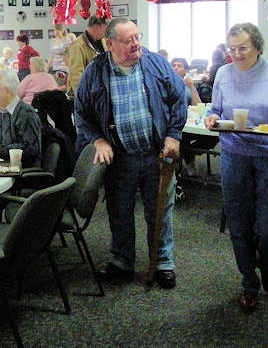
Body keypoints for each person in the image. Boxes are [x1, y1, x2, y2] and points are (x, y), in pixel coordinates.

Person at [74, 18, 186, 290]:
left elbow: (178, 98)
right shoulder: (95, 71)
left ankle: (162, 263)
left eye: (137, 37)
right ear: (110, 43)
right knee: (119, 212)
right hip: (120, 158)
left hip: (157, 154)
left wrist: (173, 135)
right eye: (128, 40)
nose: (136, 44)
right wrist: (99, 140)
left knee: (159, 211)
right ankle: (122, 262)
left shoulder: (156, 63)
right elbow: (82, 113)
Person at [204, 22, 268, 313]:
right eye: (232, 48)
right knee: (238, 224)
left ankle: (265, 261)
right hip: (234, 155)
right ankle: (249, 282)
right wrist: (211, 118)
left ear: (257, 46)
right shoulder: (223, 74)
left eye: (243, 48)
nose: (236, 54)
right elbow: (215, 109)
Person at [0, 69, 41, 167]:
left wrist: (0, 149)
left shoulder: (26, 113)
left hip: (18, 170)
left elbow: (33, 149)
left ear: (7, 91)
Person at [172, 58, 215, 176]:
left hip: (191, 122)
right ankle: (189, 160)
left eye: (179, 65)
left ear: (186, 70)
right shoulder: (167, 85)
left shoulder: (188, 86)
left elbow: (198, 106)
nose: (175, 67)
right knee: (182, 136)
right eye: (174, 65)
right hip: (176, 125)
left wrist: (191, 87)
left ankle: (187, 152)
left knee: (213, 135)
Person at [67, 16, 107, 96]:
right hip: (87, 93)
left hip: (100, 90)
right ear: (97, 27)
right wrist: (83, 98)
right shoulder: (77, 46)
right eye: (105, 29)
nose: (106, 32)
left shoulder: (103, 41)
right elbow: (76, 75)